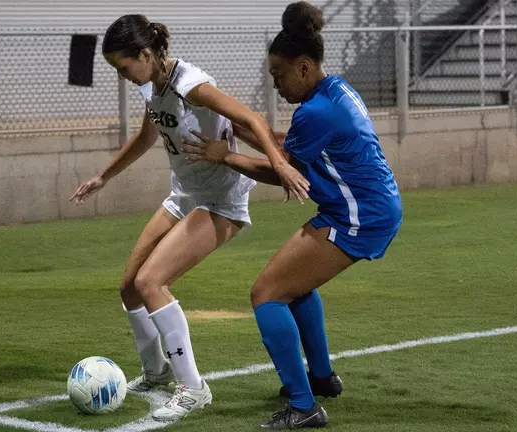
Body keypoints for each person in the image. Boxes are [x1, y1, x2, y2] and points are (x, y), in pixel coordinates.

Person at [69, 14, 310, 422]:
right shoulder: (153, 87)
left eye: (123, 67)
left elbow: (251, 120)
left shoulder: (191, 85)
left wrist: (281, 165)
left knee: (151, 282)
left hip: (220, 201)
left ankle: (193, 388)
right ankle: (157, 371)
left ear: (145, 55)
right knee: (130, 287)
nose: (122, 76)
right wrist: (103, 176)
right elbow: (146, 137)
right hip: (184, 195)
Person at [182, 2, 403, 428]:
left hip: (358, 215)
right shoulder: (335, 91)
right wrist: (243, 128)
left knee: (266, 294)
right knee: (294, 286)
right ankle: (321, 378)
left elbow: (282, 170)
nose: (275, 84)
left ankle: (304, 407)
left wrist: (225, 156)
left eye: (278, 74)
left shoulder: (316, 111)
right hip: (365, 207)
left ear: (303, 67)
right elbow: (288, 144)